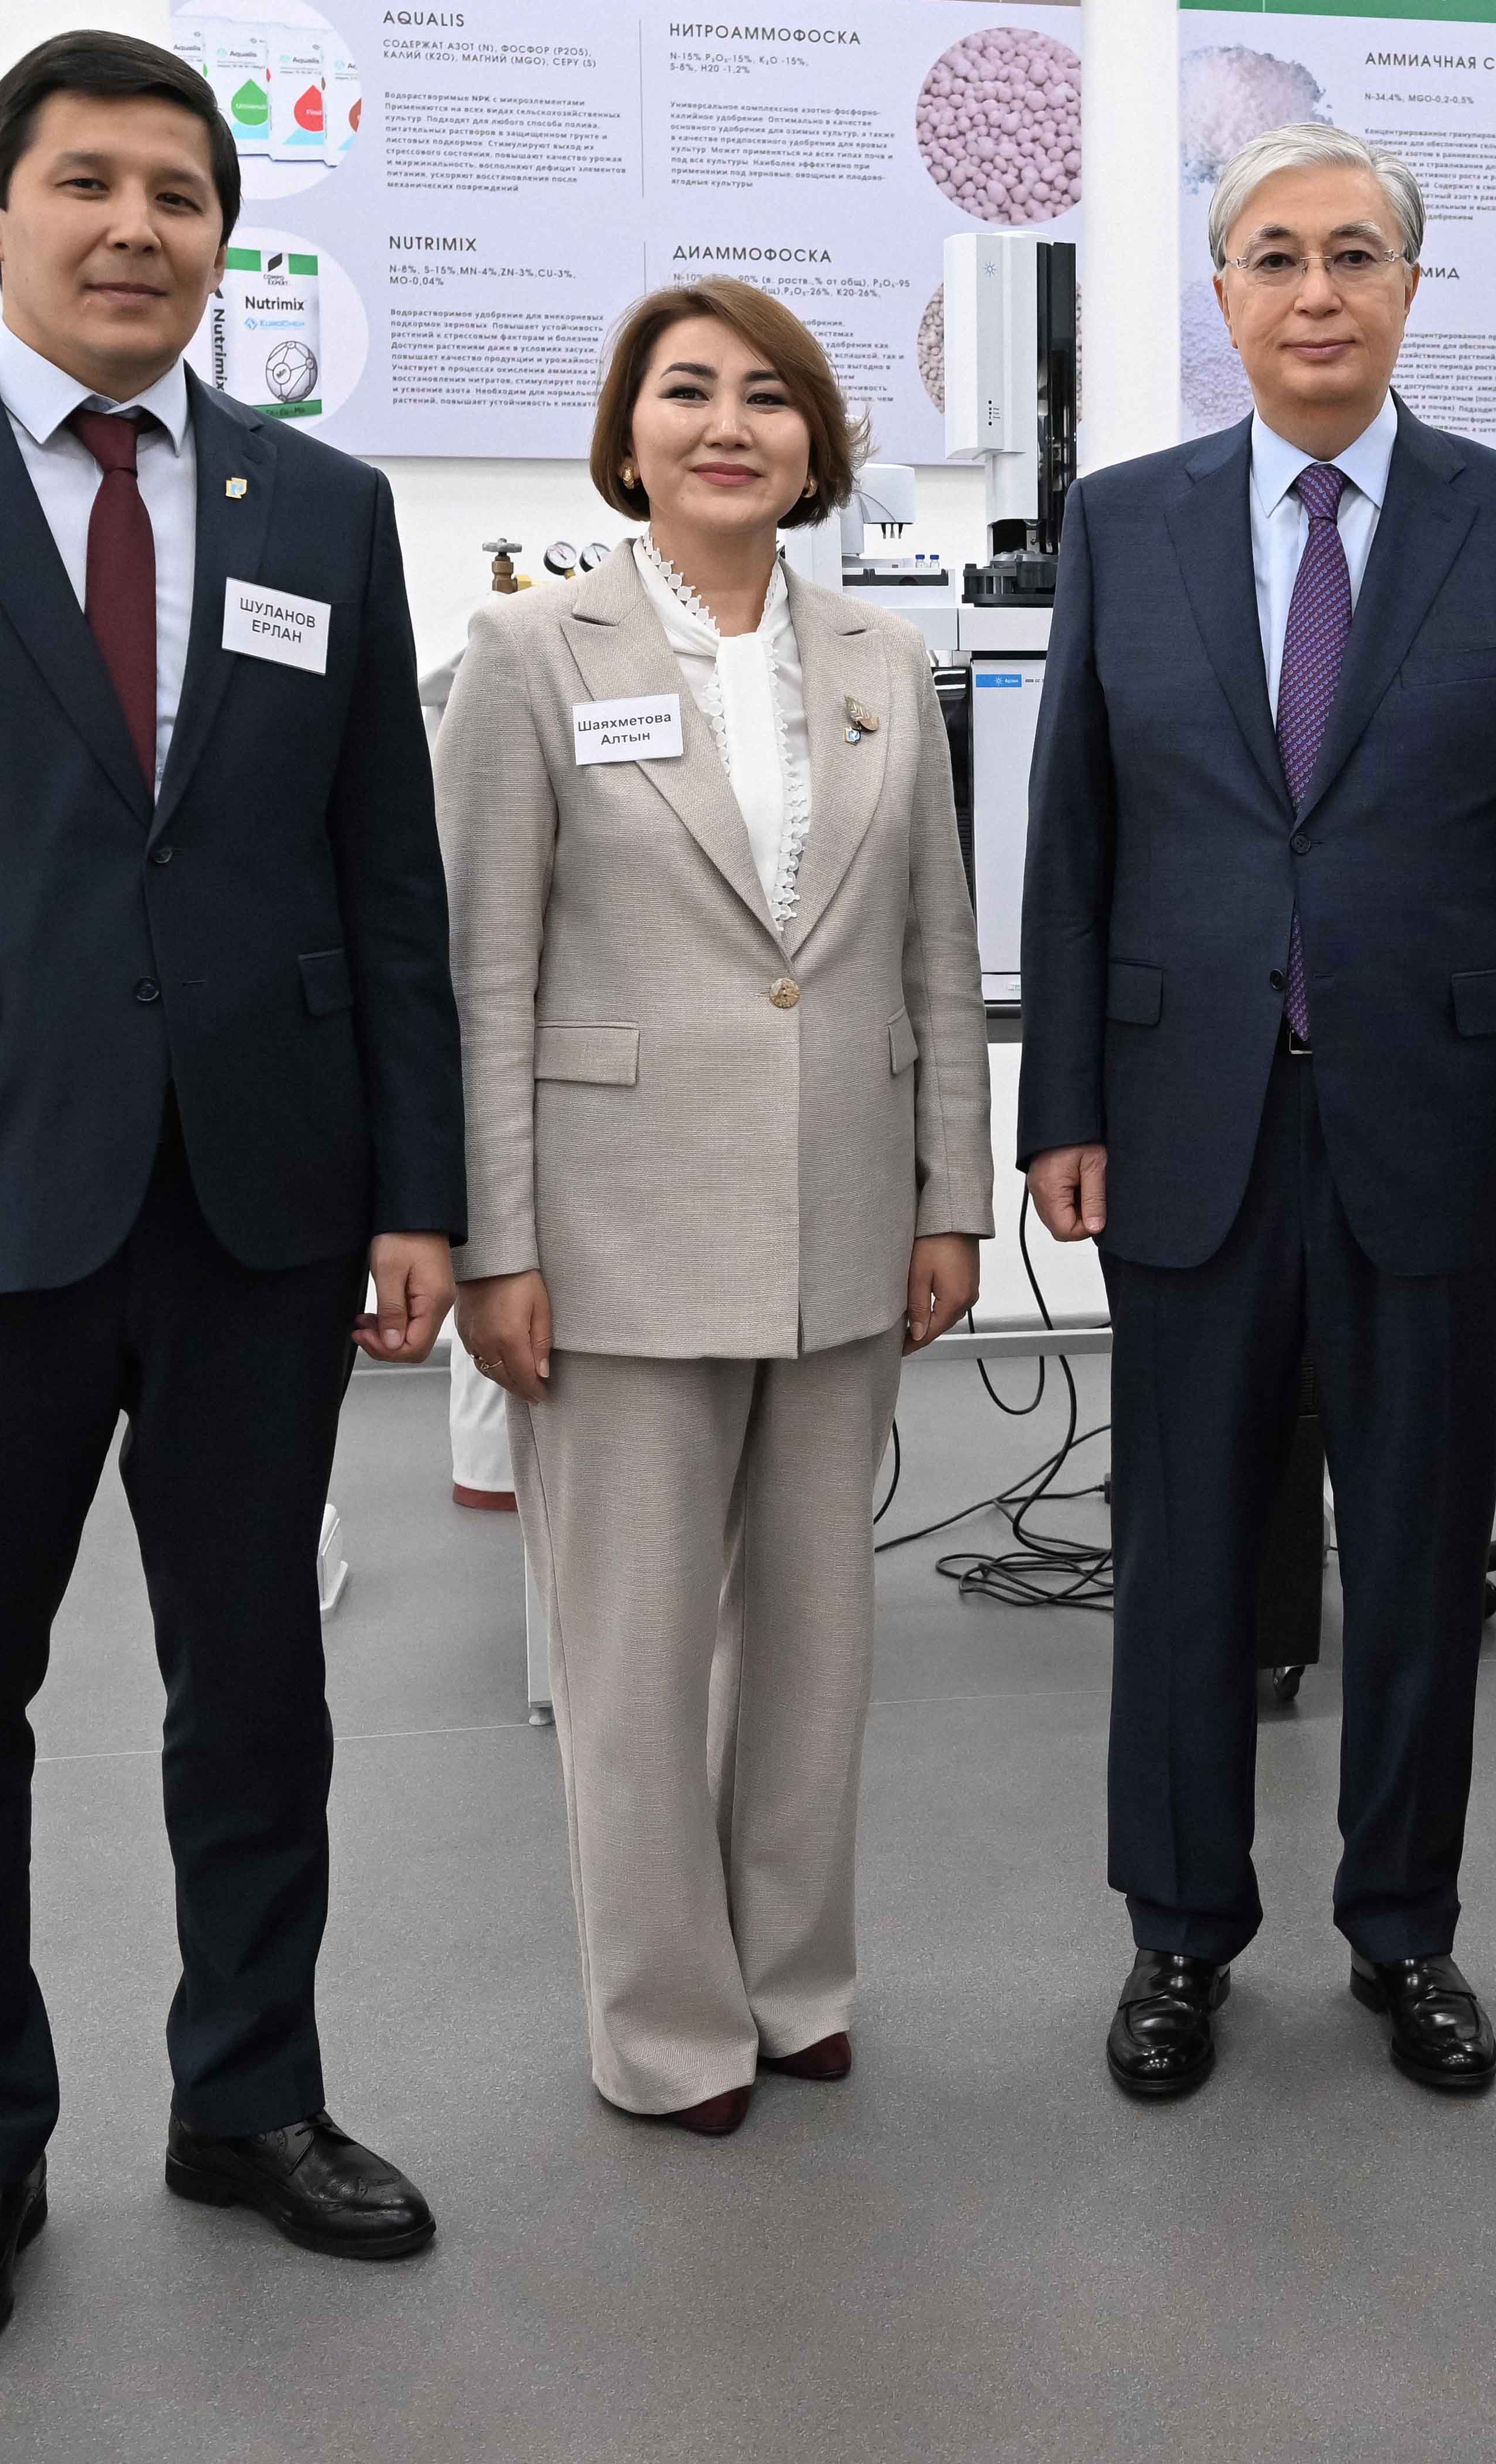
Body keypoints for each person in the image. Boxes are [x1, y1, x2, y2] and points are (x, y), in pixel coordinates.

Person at [0, 29, 462, 2378]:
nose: (137, 227)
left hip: (256, 1206)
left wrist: (418, 1191)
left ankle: (249, 2099)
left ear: (227, 237)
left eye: (181, 194)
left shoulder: (318, 506)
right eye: (87, 183)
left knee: (261, 1692)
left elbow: (386, 884)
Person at [1021, 124, 1496, 2102]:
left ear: (1409, 288)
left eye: (1354, 254)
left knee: (1423, 1555)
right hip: (1187, 1116)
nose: (1315, 291)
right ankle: (1177, 1931)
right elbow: (1074, 831)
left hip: (1440, 1123)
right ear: (1221, 297)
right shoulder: (1125, 522)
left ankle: (1405, 1928)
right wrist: (1063, 1098)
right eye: (1274, 256)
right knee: (1183, 1553)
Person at [440, 280, 991, 2138]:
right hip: (612, 1230)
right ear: (629, 435)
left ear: (816, 443)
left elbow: (933, 951)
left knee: (818, 1647)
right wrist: (496, 1243)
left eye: (768, 395)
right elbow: (480, 973)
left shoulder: (877, 655)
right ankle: (668, 2024)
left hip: (843, 1221)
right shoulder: (530, 652)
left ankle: (794, 1981)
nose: (727, 425)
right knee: (634, 1664)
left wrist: (950, 1197)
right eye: (686, 392)